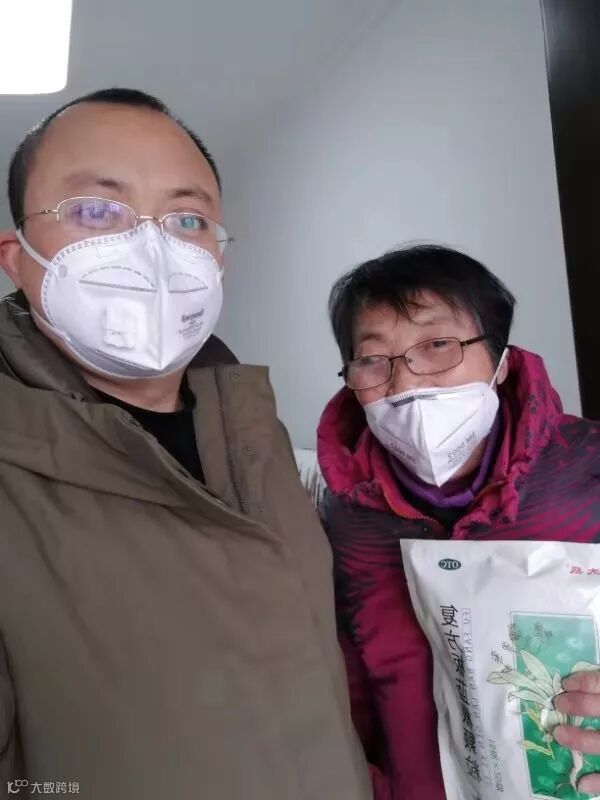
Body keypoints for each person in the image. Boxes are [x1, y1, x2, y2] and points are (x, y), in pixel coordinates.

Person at [0, 88, 372, 800]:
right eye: (96, 211)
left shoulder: (257, 435)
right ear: (17, 259)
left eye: (188, 219)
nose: (152, 247)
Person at [317, 245, 600, 799]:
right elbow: (350, 692)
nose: (406, 385)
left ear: (501, 362)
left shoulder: (587, 472)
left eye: (437, 346)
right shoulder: (348, 521)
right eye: (373, 360)